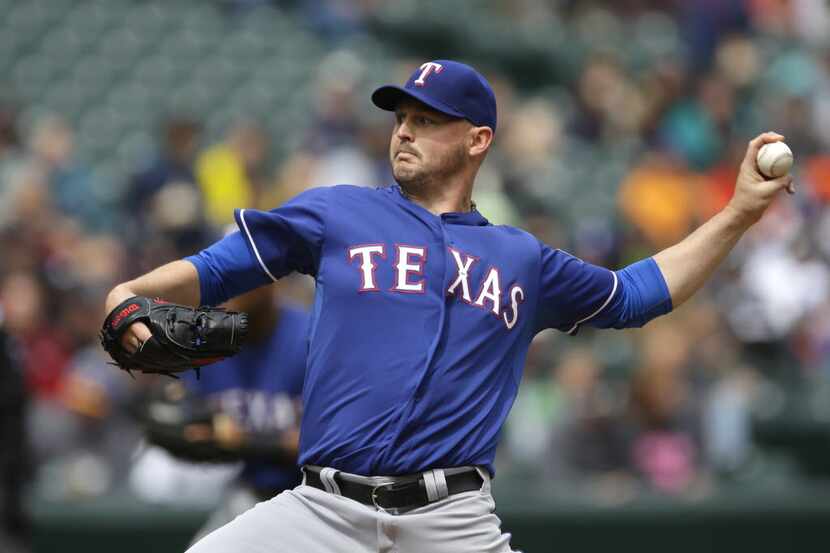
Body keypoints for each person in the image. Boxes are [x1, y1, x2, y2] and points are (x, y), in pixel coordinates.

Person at [104, 60, 794, 552]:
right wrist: (128, 294)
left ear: (478, 139)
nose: (404, 130)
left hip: (453, 522)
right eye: (401, 117)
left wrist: (735, 213)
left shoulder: (523, 258)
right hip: (321, 512)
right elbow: (213, 269)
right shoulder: (339, 213)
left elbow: (637, 293)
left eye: (427, 120)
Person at [138, 285, 308, 544]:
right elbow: (176, 410)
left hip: (317, 498)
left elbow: (333, 442)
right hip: (251, 495)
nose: (225, 293)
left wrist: (246, 441)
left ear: (270, 281)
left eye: (238, 279)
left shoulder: (311, 338)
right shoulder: (209, 341)